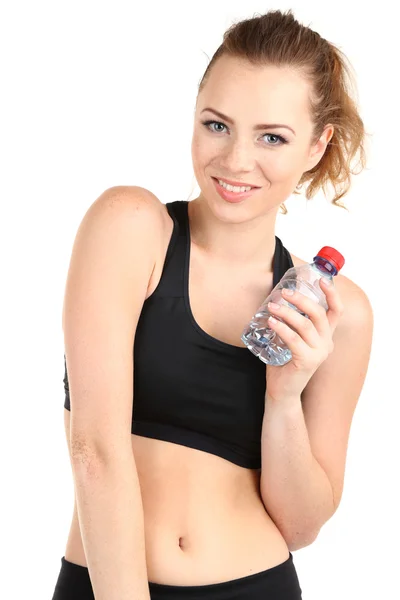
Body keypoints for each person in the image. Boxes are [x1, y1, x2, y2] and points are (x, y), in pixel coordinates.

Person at [51, 8, 373, 600]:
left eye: (272, 137)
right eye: (217, 125)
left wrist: (284, 396)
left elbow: (301, 526)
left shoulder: (337, 311)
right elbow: (94, 451)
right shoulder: (130, 227)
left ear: (316, 145)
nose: (235, 160)